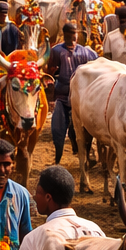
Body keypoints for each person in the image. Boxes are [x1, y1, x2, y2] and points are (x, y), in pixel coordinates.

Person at [18, 165, 104, 250]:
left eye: (38, 193)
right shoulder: (95, 230)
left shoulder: (35, 238)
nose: (35, 198)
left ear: (48, 197)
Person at [44, 21, 97, 165]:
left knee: (80, 129)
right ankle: (57, 159)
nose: (72, 38)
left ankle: (86, 156)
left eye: (74, 34)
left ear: (77, 35)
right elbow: (50, 74)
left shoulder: (86, 52)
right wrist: (51, 97)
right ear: (64, 35)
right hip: (62, 96)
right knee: (57, 128)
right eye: (69, 35)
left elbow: (97, 66)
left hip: (80, 98)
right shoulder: (56, 51)